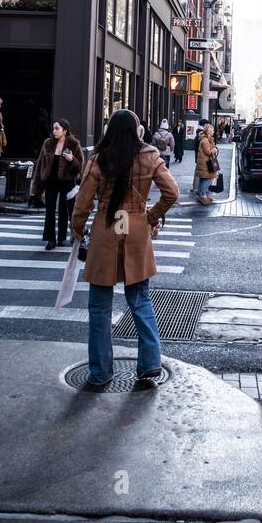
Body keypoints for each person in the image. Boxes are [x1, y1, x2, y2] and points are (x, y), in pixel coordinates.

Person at [71, 109, 178, 387]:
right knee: (140, 299)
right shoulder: (150, 155)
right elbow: (172, 193)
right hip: (136, 228)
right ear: (136, 130)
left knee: (99, 306)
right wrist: (151, 216)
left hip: (106, 228)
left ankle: (100, 372)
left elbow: (82, 203)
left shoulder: (98, 158)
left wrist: (77, 230)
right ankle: (150, 363)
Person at [32, 119, 85, 249]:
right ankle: (51, 239)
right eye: (53, 128)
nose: (54, 131)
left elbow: (80, 166)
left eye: (57, 129)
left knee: (66, 210)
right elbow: (40, 164)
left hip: (67, 181)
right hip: (51, 181)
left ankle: (63, 237)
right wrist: (36, 188)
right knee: (50, 209)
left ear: (65, 130)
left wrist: (71, 159)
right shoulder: (48, 143)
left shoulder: (73, 144)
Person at [195, 120, 219, 206]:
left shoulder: (207, 139)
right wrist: (214, 150)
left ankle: (201, 194)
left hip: (205, 163)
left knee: (204, 179)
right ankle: (203, 195)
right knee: (208, 179)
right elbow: (208, 152)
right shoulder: (205, 140)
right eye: (212, 130)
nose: (213, 132)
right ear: (208, 131)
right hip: (206, 164)